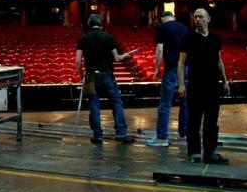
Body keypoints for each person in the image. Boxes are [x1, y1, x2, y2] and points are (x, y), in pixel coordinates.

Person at [178, 8, 230, 164]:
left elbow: (219, 61)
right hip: (195, 85)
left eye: (200, 17)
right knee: (194, 120)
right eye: (195, 17)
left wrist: (225, 81)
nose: (197, 19)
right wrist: (181, 84)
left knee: (211, 121)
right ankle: (194, 152)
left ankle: (210, 152)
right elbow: (181, 63)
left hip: (212, 85)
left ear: (208, 19)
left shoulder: (215, 39)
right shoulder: (189, 38)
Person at [76, 13, 136, 144]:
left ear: (89, 23)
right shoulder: (109, 37)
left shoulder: (84, 38)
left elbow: (78, 61)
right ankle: (121, 133)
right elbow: (117, 58)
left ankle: (98, 135)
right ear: (101, 23)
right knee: (116, 103)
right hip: (107, 74)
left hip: (91, 76)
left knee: (94, 104)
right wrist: (125, 55)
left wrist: (81, 76)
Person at [146, 10, 189, 147]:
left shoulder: (163, 27)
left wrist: (157, 68)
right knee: (185, 103)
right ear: (173, 17)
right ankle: (184, 134)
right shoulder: (184, 27)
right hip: (187, 67)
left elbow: (159, 49)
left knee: (165, 103)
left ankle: (162, 137)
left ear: (162, 19)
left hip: (172, 68)